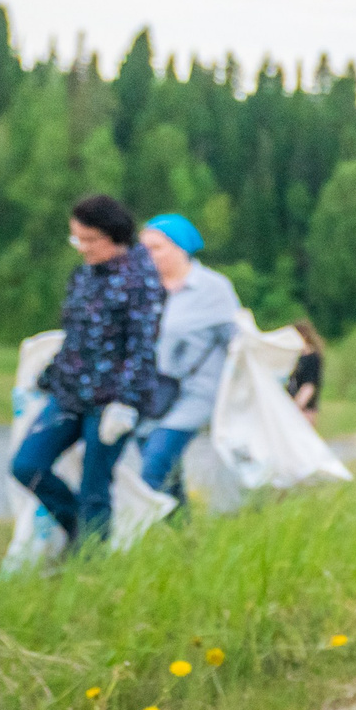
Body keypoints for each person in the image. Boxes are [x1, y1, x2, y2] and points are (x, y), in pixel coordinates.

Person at [9, 193, 167, 550]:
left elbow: (142, 347)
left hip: (112, 402)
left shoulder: (142, 281)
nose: (81, 248)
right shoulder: (82, 276)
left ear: (113, 236)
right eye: (76, 238)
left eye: (89, 239)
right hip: (69, 394)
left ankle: (90, 563)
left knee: (96, 485)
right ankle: (77, 527)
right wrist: (45, 378)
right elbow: (75, 337)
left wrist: (126, 402)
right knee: (27, 465)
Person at [135, 212, 242, 500]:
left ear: (180, 249)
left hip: (196, 393)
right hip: (151, 393)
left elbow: (238, 341)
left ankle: (137, 535)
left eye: (156, 248)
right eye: (142, 249)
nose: (147, 256)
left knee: (154, 464)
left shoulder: (213, 288)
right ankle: (181, 536)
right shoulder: (142, 288)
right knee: (167, 475)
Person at [287, 320, 326, 420]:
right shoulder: (296, 358)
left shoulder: (311, 358)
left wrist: (293, 408)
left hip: (304, 410)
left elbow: (308, 387)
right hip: (295, 406)